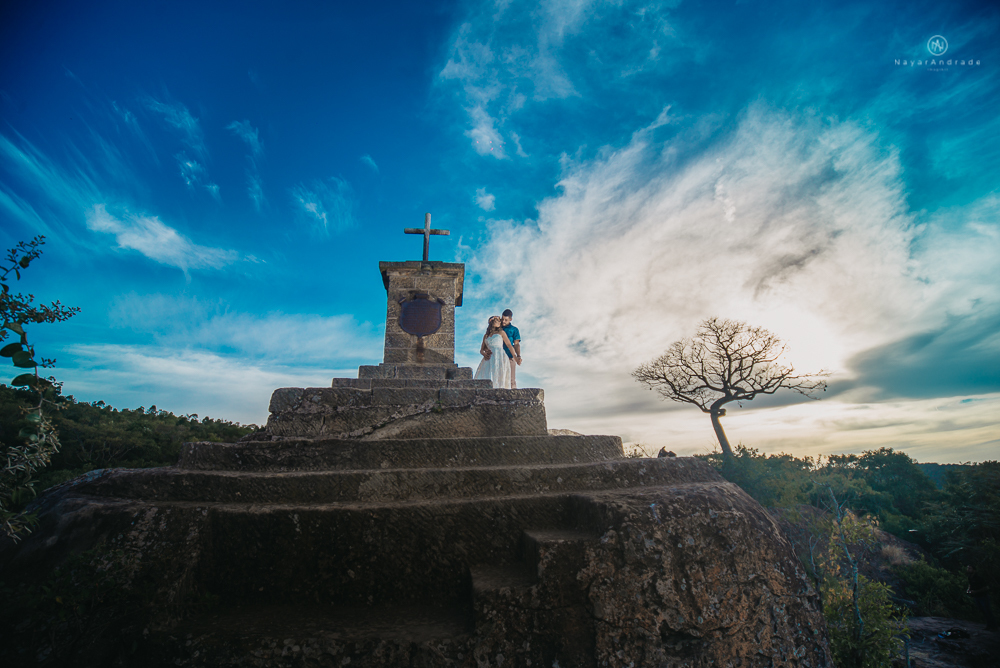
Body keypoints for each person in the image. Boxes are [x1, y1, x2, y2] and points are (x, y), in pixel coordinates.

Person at [474, 316, 517, 389]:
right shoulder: (486, 336)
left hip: (499, 355)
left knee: (498, 374)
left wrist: (515, 356)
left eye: (498, 320)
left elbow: (509, 345)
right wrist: (484, 353)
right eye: (495, 320)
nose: (496, 321)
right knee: (487, 375)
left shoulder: (501, 332)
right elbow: (482, 350)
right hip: (489, 358)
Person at [967, 564, 997, 631]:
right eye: (968, 568)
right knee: (983, 611)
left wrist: (976, 591)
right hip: (976, 596)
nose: (968, 570)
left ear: (974, 570)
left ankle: (994, 626)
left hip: (983, 596)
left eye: (970, 568)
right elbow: (970, 584)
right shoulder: (970, 576)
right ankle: (989, 625)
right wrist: (968, 590)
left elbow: (986, 587)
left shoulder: (979, 578)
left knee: (988, 611)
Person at [500, 309, 522, 389]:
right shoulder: (498, 328)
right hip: (499, 357)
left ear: (510, 319)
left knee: (512, 380)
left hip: (510, 356)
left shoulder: (514, 330)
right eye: (502, 319)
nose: (503, 322)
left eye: (506, 320)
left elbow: (516, 344)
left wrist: (518, 356)